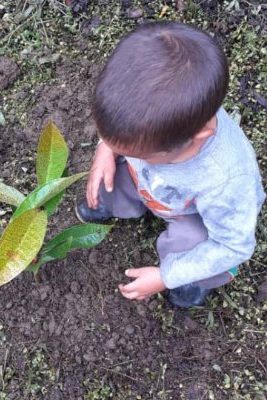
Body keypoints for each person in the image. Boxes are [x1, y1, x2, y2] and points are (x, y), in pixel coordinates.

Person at [76, 21, 266, 307]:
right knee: (112, 175)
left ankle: (194, 281)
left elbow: (233, 245)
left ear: (199, 136)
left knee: (195, 245)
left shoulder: (226, 180)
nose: (132, 154)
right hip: (151, 185)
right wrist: (106, 149)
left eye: (145, 153)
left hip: (192, 213)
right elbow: (123, 139)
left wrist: (166, 276)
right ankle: (116, 202)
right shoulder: (160, 119)